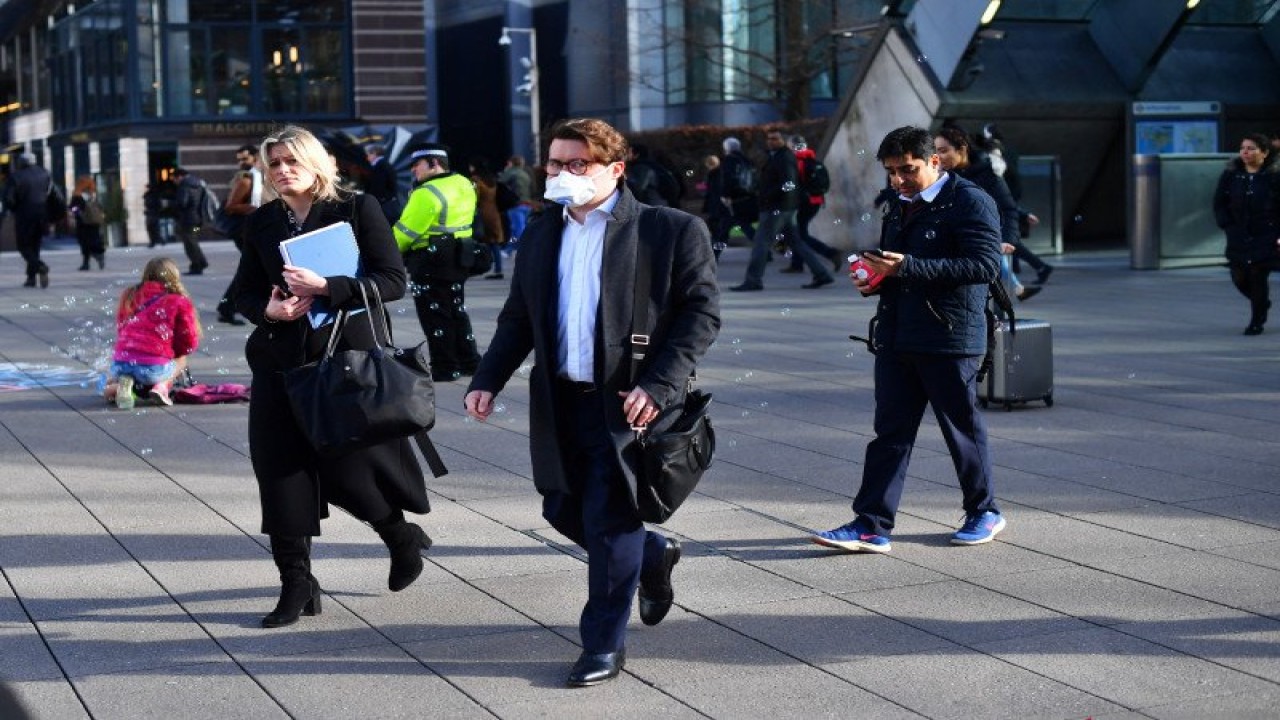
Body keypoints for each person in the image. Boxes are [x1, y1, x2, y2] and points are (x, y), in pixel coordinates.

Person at [464, 118, 720, 687]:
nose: (561, 174)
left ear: (615, 169)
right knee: (560, 508)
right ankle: (651, 556)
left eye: (577, 164)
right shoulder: (540, 231)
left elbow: (701, 316)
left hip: (627, 403)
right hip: (560, 400)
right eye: (555, 163)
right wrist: (488, 378)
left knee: (609, 522)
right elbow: (519, 317)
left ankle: (603, 643)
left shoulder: (669, 230)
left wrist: (656, 386)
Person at [231, 125, 432, 629]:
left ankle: (399, 535)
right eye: (273, 163)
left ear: (316, 163)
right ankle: (296, 582)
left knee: (350, 474)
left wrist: (328, 286)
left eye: (291, 161)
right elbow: (243, 293)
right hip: (280, 363)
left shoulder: (356, 209)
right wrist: (271, 310)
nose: (281, 171)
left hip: (342, 362)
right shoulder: (263, 221)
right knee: (279, 471)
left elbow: (392, 282)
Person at [812, 125, 1005, 554]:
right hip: (898, 334)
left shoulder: (971, 201)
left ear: (934, 161)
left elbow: (984, 267)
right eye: (891, 172)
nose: (899, 180)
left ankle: (984, 510)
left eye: (908, 170)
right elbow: (897, 265)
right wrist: (876, 279)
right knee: (890, 433)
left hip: (951, 335)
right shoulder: (899, 204)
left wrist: (908, 268)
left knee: (962, 430)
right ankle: (871, 523)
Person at [393, 143, 482, 381]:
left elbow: (406, 232)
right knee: (456, 311)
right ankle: (469, 361)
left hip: (430, 260)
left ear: (434, 163)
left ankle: (445, 367)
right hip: (460, 255)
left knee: (435, 316)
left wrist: (386, 251)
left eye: (416, 165)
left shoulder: (426, 193)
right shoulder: (464, 183)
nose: (413, 170)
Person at [933, 127, 1040, 301]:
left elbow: (1005, 206)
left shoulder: (988, 173)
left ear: (962, 149)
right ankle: (1018, 289)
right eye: (935, 151)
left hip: (981, 242)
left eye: (944, 151)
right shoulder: (940, 176)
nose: (938, 157)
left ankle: (1015, 291)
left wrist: (1007, 239)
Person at [730, 129, 834, 291]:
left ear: (783, 141)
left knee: (761, 243)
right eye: (769, 138)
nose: (771, 141)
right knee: (796, 242)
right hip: (783, 207)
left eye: (775, 138)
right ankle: (822, 274)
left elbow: (789, 183)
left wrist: (768, 196)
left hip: (776, 208)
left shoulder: (783, 158)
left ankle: (753, 280)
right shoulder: (778, 156)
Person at [103, 257, 201, 409]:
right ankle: (161, 387)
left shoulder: (129, 294)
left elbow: (122, 327)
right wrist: (175, 352)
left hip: (120, 364)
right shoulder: (178, 300)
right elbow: (188, 340)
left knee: (120, 376)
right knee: (181, 359)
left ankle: (119, 386)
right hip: (153, 368)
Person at [1213, 132, 1280, 335]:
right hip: (1239, 234)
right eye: (1243, 148)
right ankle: (1261, 303)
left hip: (1266, 233)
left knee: (1257, 274)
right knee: (1239, 277)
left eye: (1251, 148)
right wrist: (1226, 224)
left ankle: (1256, 321)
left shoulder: (1274, 175)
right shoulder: (1232, 173)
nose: (1245, 152)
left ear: (1264, 152)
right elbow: (1219, 202)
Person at [975, 122, 1054, 284]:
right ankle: (1026, 273)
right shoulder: (1005, 152)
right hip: (1006, 197)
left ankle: (1031, 273)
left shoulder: (994, 156)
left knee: (1006, 239)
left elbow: (1000, 178)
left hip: (1002, 198)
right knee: (1007, 239)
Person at [216, 145, 274, 325]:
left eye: (244, 159)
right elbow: (231, 206)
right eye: (239, 159)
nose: (241, 163)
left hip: (258, 230)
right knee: (252, 268)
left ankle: (230, 307)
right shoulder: (247, 179)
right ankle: (228, 307)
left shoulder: (266, 178)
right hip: (246, 231)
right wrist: (258, 209)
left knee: (256, 268)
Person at [781, 135, 842, 275]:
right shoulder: (813, 160)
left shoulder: (797, 162)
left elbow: (795, 185)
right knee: (798, 233)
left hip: (803, 203)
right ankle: (797, 264)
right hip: (816, 201)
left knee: (800, 234)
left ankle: (830, 253)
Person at [7, 153, 52, 288]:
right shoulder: (45, 174)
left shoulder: (16, 176)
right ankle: (31, 278)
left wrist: (14, 209)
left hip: (24, 216)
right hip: (42, 214)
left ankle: (40, 266)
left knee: (23, 246)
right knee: (35, 246)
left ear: (21, 162)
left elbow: (9, 199)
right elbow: (51, 193)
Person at [715, 138, 758, 250]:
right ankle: (764, 251)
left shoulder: (729, 160)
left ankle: (713, 256)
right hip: (746, 198)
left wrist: (725, 195)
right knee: (741, 226)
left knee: (725, 230)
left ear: (726, 148)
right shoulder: (747, 160)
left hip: (733, 200)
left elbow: (727, 179)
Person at [468, 157, 508, 279]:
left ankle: (473, 267)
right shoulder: (492, 180)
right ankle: (498, 269)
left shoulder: (475, 180)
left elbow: (473, 197)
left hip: (481, 214)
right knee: (494, 242)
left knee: (476, 240)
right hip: (494, 213)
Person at [171, 167, 210, 275]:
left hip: (188, 220)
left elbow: (182, 203)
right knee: (193, 241)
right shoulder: (198, 184)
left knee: (190, 243)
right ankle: (199, 263)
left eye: (174, 179)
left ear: (179, 177)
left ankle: (199, 263)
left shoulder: (184, 186)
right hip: (198, 219)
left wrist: (171, 205)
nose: (174, 182)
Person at [68, 175, 106, 271]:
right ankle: (98, 255)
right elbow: (100, 207)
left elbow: (72, 207)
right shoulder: (93, 194)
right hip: (94, 222)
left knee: (84, 243)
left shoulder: (77, 195)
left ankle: (88, 262)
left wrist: (76, 211)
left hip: (83, 223)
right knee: (94, 241)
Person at [700, 154, 731, 260]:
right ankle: (714, 254)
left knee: (717, 231)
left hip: (716, 206)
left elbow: (711, 191)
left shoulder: (714, 174)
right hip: (718, 206)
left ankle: (713, 255)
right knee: (718, 231)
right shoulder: (718, 173)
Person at [498, 154, 534, 242]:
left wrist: (505, 171)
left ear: (511, 163)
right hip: (527, 205)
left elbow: (499, 183)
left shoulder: (511, 173)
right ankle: (513, 249)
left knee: (517, 230)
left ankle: (514, 251)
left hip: (515, 205)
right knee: (522, 229)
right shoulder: (526, 173)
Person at [364, 143, 402, 225]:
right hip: (387, 204)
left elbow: (377, 187)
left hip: (385, 206)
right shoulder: (383, 165)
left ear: (374, 153)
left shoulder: (381, 166)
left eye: (368, 154)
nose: (367, 158)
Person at [143, 183, 168, 248]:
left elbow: (158, 205)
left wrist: (156, 211)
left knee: (154, 228)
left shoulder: (154, 196)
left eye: (147, 187)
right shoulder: (147, 195)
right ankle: (156, 241)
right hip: (149, 213)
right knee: (150, 227)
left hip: (153, 213)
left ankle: (158, 241)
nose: (145, 189)